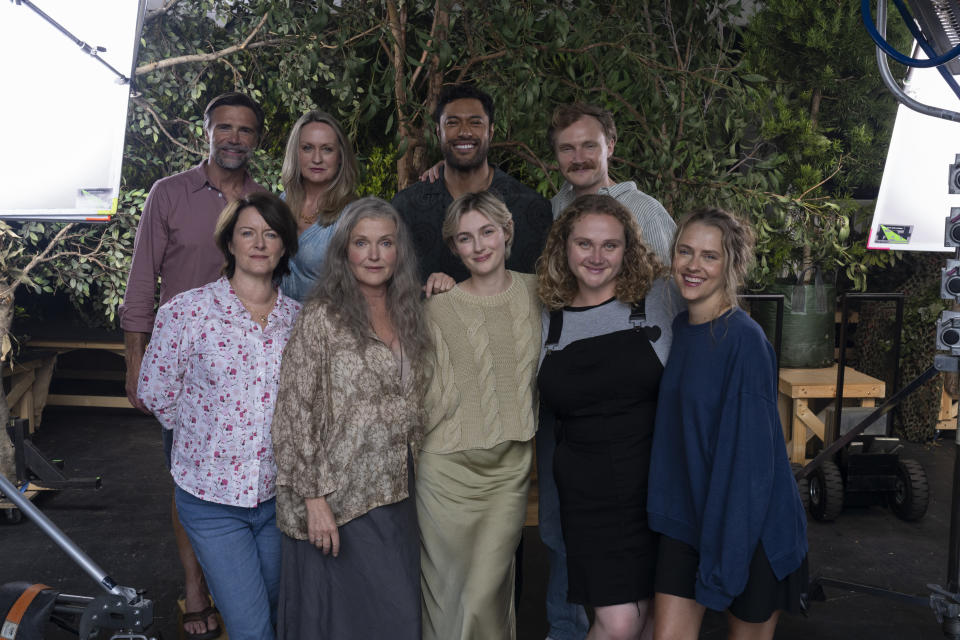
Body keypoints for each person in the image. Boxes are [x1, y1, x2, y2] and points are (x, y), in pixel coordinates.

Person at [120, 91, 267, 640]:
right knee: (191, 480)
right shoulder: (170, 194)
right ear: (205, 131)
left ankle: (238, 588)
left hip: (247, 369)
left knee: (249, 481)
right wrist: (135, 362)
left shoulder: (263, 200)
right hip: (186, 370)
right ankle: (196, 588)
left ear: (257, 139)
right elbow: (141, 283)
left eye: (245, 130)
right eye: (224, 128)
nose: (234, 138)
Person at [137, 192, 301, 640]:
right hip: (211, 501)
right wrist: (204, 433)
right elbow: (155, 393)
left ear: (285, 245)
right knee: (251, 628)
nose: (260, 243)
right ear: (229, 243)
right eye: (247, 233)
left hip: (277, 499)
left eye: (271, 234)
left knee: (272, 610)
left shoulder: (300, 322)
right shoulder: (188, 313)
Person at [271, 197, 429, 640]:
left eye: (385, 243)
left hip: (396, 490)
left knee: (395, 616)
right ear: (344, 251)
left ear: (400, 251)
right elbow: (293, 414)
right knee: (337, 622)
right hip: (335, 498)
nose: (374, 255)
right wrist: (314, 501)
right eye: (362, 243)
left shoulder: (411, 314)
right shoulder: (320, 317)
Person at [647, 208, 808, 640]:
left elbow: (749, 469)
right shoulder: (679, 330)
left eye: (709, 256)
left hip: (749, 529)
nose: (693, 266)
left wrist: (724, 566)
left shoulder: (745, 342)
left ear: (732, 265)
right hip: (688, 518)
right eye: (685, 252)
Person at [536, 194, 679, 640]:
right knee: (618, 623)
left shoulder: (660, 297)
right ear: (564, 247)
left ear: (628, 249)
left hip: (657, 485)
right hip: (586, 492)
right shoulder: (543, 312)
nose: (596, 257)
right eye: (584, 244)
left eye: (610, 246)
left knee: (658, 620)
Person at [418, 191, 541, 640]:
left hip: (507, 471)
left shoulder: (540, 293)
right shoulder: (435, 306)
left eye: (488, 231)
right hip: (444, 469)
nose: (480, 245)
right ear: (453, 247)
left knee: (484, 594)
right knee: (446, 596)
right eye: (465, 238)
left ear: (507, 233)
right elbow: (421, 390)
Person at [392, 83, 553, 283]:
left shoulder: (531, 207)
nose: (464, 132)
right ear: (438, 132)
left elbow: (548, 293)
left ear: (491, 132)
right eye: (452, 123)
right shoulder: (405, 209)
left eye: (475, 122)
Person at [547, 103, 675, 262]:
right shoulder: (551, 209)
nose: (578, 159)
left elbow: (669, 284)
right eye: (567, 148)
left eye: (589, 146)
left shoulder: (646, 211)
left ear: (610, 147)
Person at [279, 110, 359, 302]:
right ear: (295, 153)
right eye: (307, 148)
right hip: (274, 325)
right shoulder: (281, 202)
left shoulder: (354, 216)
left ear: (340, 156)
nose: (317, 159)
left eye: (327, 149)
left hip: (328, 326)